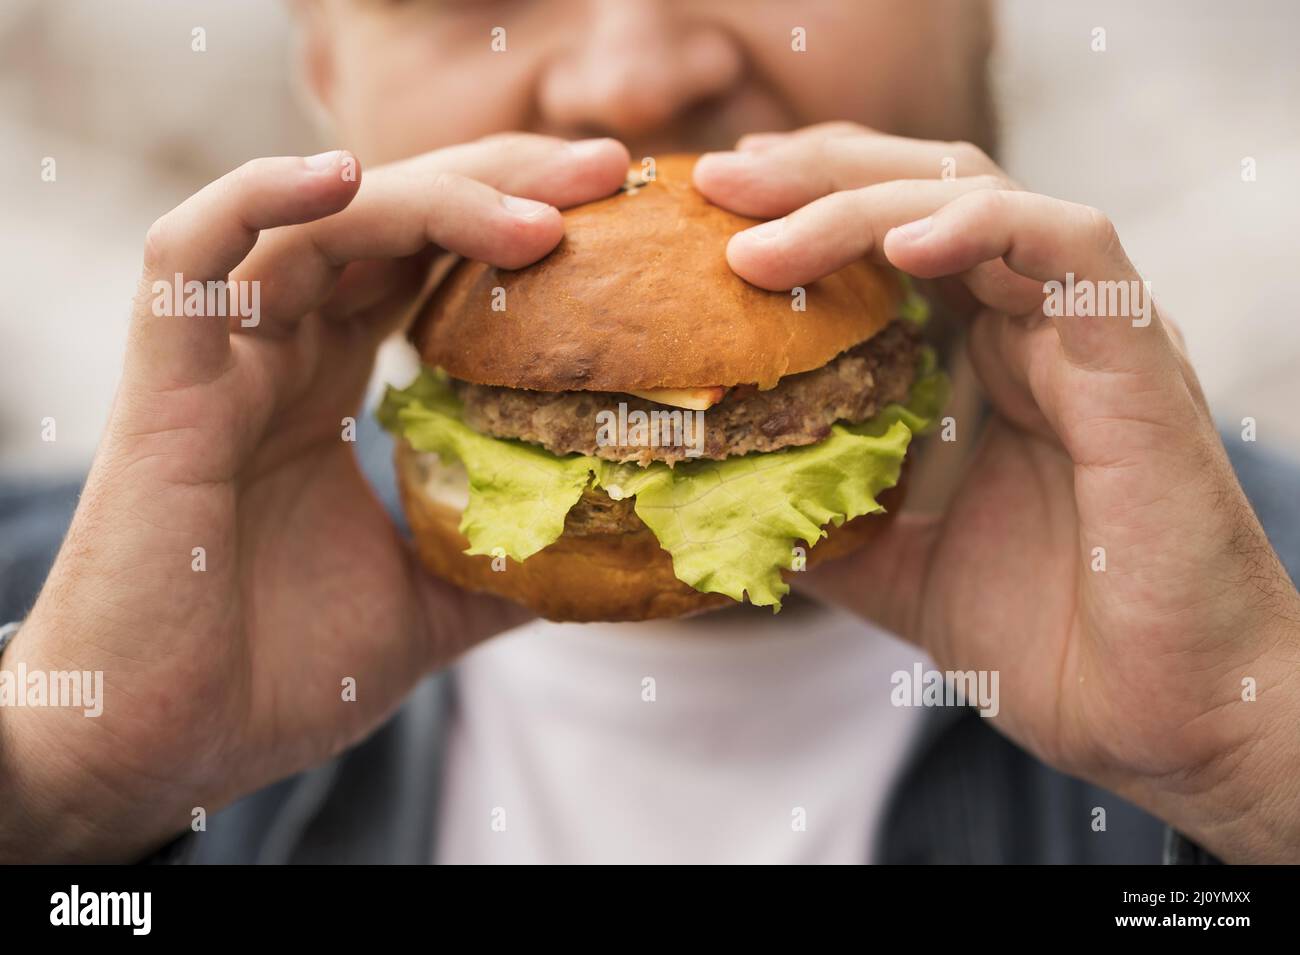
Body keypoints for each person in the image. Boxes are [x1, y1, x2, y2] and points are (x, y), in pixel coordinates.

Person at [1, 0, 1297, 864]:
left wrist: (1252, 769)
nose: (633, 76)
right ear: (326, 73)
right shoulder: (37, 644)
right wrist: (66, 797)